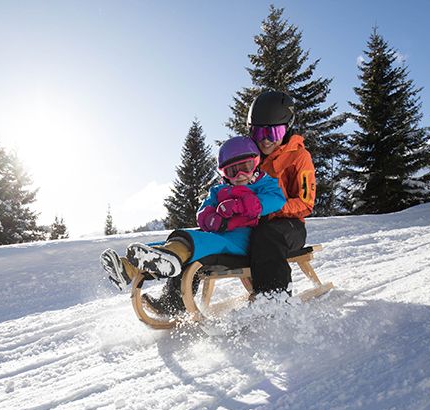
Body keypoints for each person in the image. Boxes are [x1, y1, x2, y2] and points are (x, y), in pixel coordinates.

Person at [100, 136, 285, 311]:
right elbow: (203, 212)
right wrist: (211, 218)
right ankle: (128, 269)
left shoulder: (264, 184)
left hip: (242, 240)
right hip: (220, 236)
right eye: (232, 171)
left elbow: (276, 200)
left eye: (246, 166)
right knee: (184, 240)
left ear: (256, 162)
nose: (240, 175)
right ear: (224, 173)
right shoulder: (218, 190)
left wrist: (240, 205)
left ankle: (167, 259)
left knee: (194, 242)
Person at [246, 90, 316, 297]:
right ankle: (174, 301)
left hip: (290, 227)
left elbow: (306, 204)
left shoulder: (299, 157)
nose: (265, 141)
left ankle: (275, 299)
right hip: (253, 223)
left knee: (266, 236)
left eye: (273, 133)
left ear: (286, 130)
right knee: (210, 235)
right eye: (259, 133)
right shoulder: (249, 155)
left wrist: (273, 207)